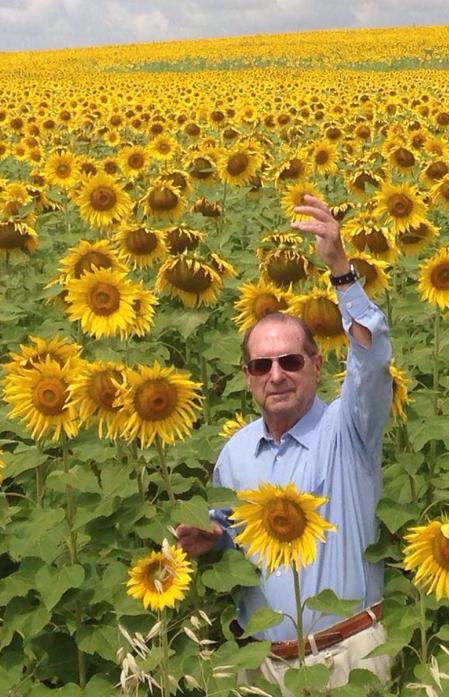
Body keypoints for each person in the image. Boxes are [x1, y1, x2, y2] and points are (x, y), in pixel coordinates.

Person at [174, 194, 393, 691]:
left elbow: (373, 358)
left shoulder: (349, 428)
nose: (276, 375)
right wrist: (212, 540)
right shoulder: (235, 453)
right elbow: (233, 538)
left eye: (290, 361)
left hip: (346, 660)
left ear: (317, 365)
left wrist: (340, 267)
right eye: (261, 365)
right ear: (247, 378)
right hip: (261, 668)